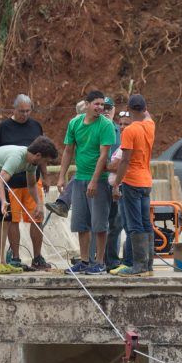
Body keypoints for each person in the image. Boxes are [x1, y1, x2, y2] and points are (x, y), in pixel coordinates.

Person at [0, 95, 48, 270]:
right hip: (0, 180)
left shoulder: (32, 157)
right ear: (14, 109)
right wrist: (3, 199)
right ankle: (5, 260)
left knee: (18, 218)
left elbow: (34, 180)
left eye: (28, 111)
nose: (25, 114)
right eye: (21, 111)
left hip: (18, 180)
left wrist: (40, 202)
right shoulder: (7, 134)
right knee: (2, 219)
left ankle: (22, 259)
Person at [57, 90, 118, 274]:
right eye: (97, 104)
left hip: (98, 180)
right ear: (87, 104)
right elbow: (68, 151)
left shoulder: (106, 125)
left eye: (103, 105)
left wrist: (93, 181)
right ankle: (84, 261)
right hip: (79, 178)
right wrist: (62, 175)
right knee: (80, 223)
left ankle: (99, 261)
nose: (100, 108)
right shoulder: (74, 123)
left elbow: (103, 155)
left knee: (99, 224)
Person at [0, 137, 58, 274]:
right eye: (45, 161)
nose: (44, 164)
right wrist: (4, 201)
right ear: (38, 156)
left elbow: (32, 184)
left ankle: (3, 261)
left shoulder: (31, 163)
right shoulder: (16, 158)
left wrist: (40, 204)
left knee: (6, 220)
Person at [110, 95, 156, 276]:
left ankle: (138, 266)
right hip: (146, 180)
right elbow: (148, 115)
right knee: (146, 222)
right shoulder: (150, 126)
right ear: (144, 108)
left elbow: (124, 161)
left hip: (132, 181)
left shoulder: (129, 131)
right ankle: (148, 265)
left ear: (129, 109)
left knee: (135, 224)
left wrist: (116, 185)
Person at [45, 98, 91, 219]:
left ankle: (63, 204)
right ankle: (63, 204)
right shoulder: (78, 128)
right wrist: (61, 177)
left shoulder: (103, 127)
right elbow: (68, 151)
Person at [105, 110, 133, 269]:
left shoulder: (130, 142)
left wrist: (107, 166)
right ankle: (112, 260)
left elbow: (118, 165)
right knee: (115, 225)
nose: (122, 127)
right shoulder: (121, 141)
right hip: (116, 188)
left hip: (124, 188)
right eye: (120, 124)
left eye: (126, 124)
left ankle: (126, 261)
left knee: (123, 225)